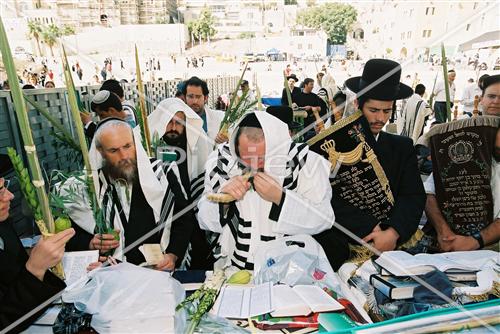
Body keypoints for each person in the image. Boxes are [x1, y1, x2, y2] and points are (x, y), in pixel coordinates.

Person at [308, 59, 426, 258]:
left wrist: (393, 231)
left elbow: (413, 195)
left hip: (396, 242)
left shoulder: (402, 147)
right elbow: (328, 195)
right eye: (373, 110)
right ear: (357, 104)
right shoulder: (331, 146)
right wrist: (371, 228)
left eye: (387, 111)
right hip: (347, 242)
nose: (380, 118)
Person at [197, 112, 335, 270]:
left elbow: (324, 219)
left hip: (290, 270)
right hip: (234, 268)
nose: (253, 165)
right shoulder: (222, 161)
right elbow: (203, 218)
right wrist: (223, 200)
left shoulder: (305, 162)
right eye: (246, 157)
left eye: (261, 158)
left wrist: (280, 197)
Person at [62, 119, 193, 269]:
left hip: (160, 271)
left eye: (127, 146)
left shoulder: (162, 172)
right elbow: (68, 235)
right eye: (113, 150)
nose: (124, 156)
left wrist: (173, 255)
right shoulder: (88, 186)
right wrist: (90, 243)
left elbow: (184, 218)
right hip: (113, 276)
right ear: (100, 151)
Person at [423, 75, 500, 252]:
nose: (496, 102)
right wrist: (444, 233)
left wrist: (474, 242)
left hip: (490, 249)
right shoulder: (460, 135)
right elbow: (430, 192)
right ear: (481, 100)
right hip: (448, 242)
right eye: (491, 96)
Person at [0, 154, 75, 332]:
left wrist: (36, 255)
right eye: (0, 191)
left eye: (5, 187)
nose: (9, 196)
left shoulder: (3, 223)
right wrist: (35, 269)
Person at [146, 98, 213, 268]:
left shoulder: (198, 143)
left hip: (192, 216)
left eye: (179, 123)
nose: (174, 128)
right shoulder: (147, 146)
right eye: (169, 122)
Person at [182, 76, 226, 143]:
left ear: (205, 98)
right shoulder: (179, 121)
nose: (194, 101)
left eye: (198, 97)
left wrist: (227, 140)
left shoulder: (220, 118)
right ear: (185, 98)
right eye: (190, 96)